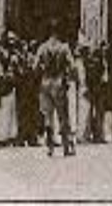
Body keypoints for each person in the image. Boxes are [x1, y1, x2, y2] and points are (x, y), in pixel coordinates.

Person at [37, 19, 75, 157]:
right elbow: (72, 66)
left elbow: (35, 66)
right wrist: (66, 76)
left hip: (45, 82)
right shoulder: (64, 47)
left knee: (48, 116)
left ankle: (50, 147)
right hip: (58, 81)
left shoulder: (42, 47)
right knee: (63, 115)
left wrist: (43, 70)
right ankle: (67, 146)